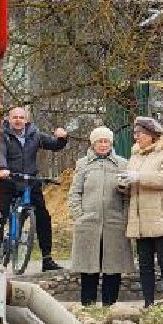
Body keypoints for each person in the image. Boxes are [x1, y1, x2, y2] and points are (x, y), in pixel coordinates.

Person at [68, 126, 134, 308]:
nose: (103, 145)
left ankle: (109, 306)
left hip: (114, 223)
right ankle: (88, 306)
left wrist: (124, 215)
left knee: (112, 267)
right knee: (89, 267)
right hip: (88, 223)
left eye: (106, 141)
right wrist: (79, 215)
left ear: (111, 143)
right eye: (100, 141)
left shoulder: (122, 164)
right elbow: (75, 192)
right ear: (93, 143)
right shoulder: (83, 164)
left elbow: (130, 195)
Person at [121, 117, 163, 306]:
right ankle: (148, 302)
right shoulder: (136, 155)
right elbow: (134, 183)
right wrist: (124, 184)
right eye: (135, 134)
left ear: (151, 135)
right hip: (141, 218)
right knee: (145, 263)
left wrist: (139, 177)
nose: (136, 137)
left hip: (162, 217)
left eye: (139, 134)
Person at [0, 106, 69, 270]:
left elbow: (54, 145)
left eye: (21, 117)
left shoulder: (34, 135)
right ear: (9, 119)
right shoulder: (3, 135)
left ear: (26, 120)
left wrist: (62, 138)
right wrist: (2, 168)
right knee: (0, 217)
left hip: (30, 181)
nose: (18, 120)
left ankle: (47, 259)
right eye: (14, 117)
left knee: (43, 217)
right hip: (9, 179)